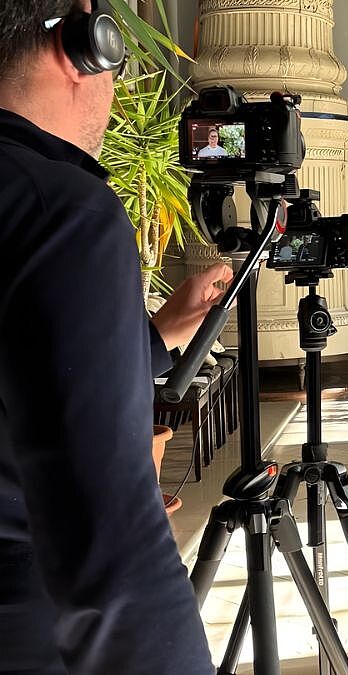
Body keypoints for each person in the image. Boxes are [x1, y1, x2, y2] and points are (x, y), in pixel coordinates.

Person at [0, 1, 232, 672]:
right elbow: (114, 556)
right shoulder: (62, 212)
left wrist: (155, 337)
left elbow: (25, 371)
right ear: (80, 45)